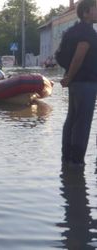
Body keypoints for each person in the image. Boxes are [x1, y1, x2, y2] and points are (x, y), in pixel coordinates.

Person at [60, 0, 97, 167]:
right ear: (86, 12)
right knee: (83, 122)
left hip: (76, 83)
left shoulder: (72, 31)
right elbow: (78, 57)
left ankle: (66, 158)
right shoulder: (87, 32)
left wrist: (69, 77)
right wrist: (69, 77)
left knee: (72, 119)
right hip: (86, 83)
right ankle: (77, 162)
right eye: (96, 8)